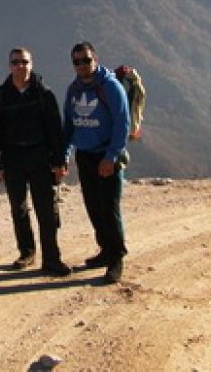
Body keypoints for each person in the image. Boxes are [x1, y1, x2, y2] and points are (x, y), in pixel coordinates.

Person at [0, 47, 72, 277]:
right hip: (13, 158)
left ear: (31, 64)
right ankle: (27, 252)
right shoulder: (1, 95)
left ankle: (52, 259)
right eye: (15, 62)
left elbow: (55, 130)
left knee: (46, 210)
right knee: (19, 208)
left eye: (24, 62)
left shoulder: (44, 94)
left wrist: (59, 161)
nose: (20, 66)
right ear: (9, 66)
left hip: (40, 158)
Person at [64, 41, 129, 284]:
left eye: (86, 60)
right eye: (77, 62)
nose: (81, 65)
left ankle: (116, 258)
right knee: (93, 206)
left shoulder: (110, 87)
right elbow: (69, 124)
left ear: (96, 59)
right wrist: (65, 153)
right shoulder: (74, 89)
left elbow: (122, 124)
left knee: (109, 208)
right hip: (85, 156)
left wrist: (111, 157)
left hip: (105, 155)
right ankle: (104, 251)